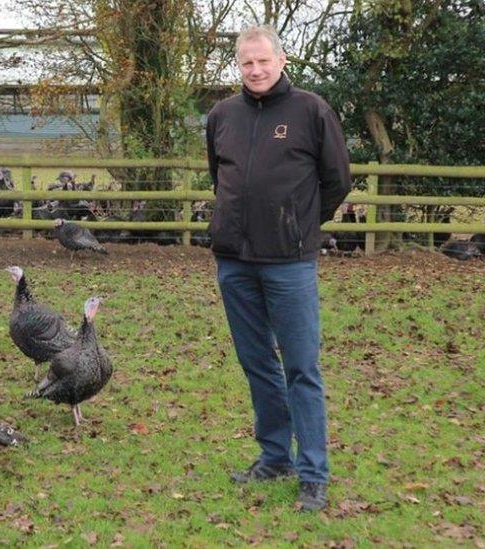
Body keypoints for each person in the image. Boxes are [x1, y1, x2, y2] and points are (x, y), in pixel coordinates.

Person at [204, 25, 351, 512]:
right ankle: (274, 457)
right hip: (235, 263)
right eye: (247, 63)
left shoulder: (311, 110)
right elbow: (220, 176)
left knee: (301, 369)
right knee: (258, 364)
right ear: (238, 67)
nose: (256, 70)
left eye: (264, 61)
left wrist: (301, 226)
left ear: (282, 61)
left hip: (289, 264)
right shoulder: (222, 115)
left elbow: (337, 180)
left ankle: (313, 472)